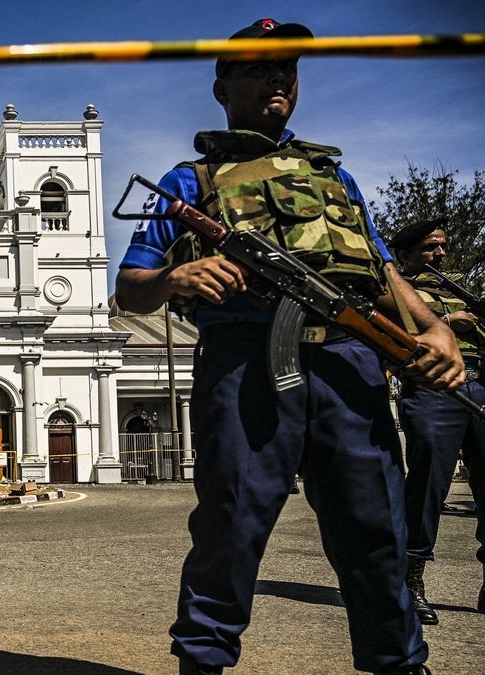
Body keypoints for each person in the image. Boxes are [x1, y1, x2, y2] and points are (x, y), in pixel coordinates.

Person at [114, 18, 464, 675]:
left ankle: (400, 660)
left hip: (348, 363)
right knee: (230, 527)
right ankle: (203, 660)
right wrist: (176, 276)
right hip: (247, 363)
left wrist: (432, 328)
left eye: (289, 68)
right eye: (259, 67)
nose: (279, 77)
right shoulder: (193, 181)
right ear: (223, 88)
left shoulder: (337, 179)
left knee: (377, 530)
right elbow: (131, 288)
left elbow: (381, 272)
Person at [390, 218, 485, 624]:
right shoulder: (393, 291)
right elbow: (388, 334)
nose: (440, 254)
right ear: (406, 254)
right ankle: (411, 582)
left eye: (443, 247)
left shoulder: (456, 287)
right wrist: (447, 324)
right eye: (430, 248)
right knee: (428, 484)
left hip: (480, 383)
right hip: (432, 389)